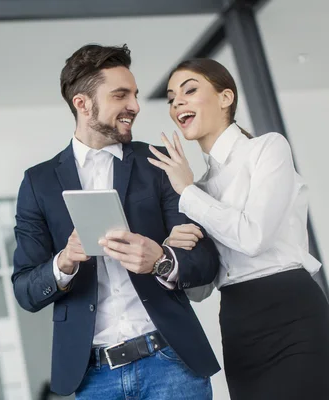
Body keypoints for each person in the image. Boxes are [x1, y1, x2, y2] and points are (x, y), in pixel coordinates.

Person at [11, 44, 221, 400]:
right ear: (83, 103)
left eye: (135, 95)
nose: (135, 106)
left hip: (171, 363)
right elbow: (25, 290)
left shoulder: (158, 162)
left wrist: (160, 260)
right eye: (121, 95)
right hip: (93, 379)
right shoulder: (38, 183)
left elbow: (205, 262)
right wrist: (64, 262)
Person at [148, 57, 329, 399]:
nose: (177, 103)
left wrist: (186, 192)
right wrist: (173, 253)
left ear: (225, 97)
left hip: (291, 309)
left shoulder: (267, 148)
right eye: (172, 98)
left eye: (189, 90)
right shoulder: (197, 189)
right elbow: (200, 290)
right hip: (237, 319)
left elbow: (253, 236)